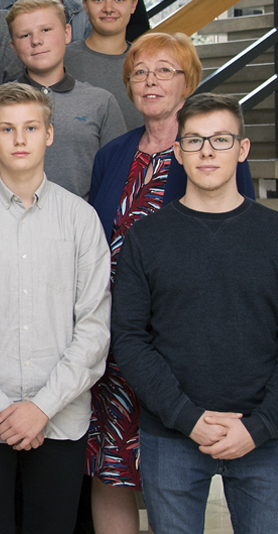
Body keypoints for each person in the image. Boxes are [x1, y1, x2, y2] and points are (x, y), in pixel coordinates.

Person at [85, 33, 254, 534]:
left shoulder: (209, 152)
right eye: (140, 72)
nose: (150, 81)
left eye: (164, 70)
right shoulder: (113, 153)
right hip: (119, 335)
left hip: (183, 340)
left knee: (177, 471)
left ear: (189, 81)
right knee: (112, 469)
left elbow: (234, 239)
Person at [0, 82, 111, 534]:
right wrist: (0, 408)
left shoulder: (80, 219)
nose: (20, 139)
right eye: (7, 128)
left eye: (31, 127)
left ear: (49, 135)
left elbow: (93, 329)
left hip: (61, 419)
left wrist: (41, 407)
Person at [111, 93, 278, 533]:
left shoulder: (273, 234)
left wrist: (261, 426)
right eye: (195, 141)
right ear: (178, 153)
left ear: (242, 149)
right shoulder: (145, 238)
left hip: (264, 438)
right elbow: (129, 337)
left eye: (221, 140)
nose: (207, 151)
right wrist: (188, 418)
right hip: (173, 436)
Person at [4, 0, 125, 198]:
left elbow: (118, 179)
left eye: (46, 30)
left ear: (67, 33)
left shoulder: (100, 103)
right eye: (24, 35)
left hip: (81, 225)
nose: (36, 41)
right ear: (14, 47)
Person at [64, 0, 143, 129]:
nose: (109, 8)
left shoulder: (147, 64)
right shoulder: (63, 61)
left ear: (133, 4)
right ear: (85, 4)